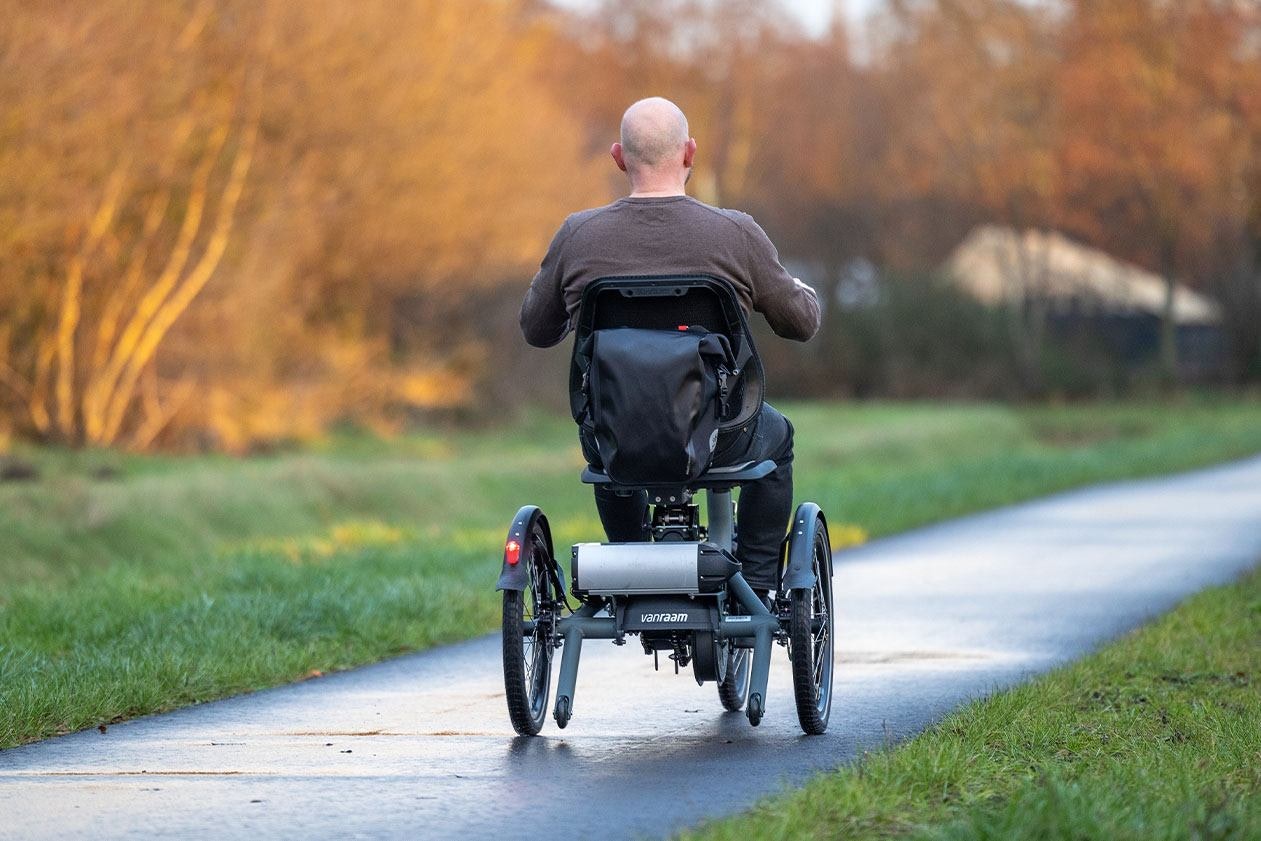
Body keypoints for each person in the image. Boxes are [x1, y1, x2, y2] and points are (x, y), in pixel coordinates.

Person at [519, 96, 820, 597]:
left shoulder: (578, 236)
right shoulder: (735, 233)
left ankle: (637, 574)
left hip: (615, 435)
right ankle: (761, 580)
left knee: (608, 442)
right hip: (723, 433)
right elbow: (800, 323)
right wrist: (804, 295)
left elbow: (536, 329)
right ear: (690, 153)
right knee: (778, 435)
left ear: (619, 157)